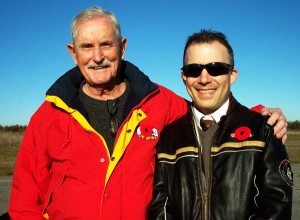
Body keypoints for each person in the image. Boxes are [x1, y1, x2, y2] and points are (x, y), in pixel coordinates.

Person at [8, 6, 287, 220]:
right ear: (73, 52)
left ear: (122, 46)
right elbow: (24, 202)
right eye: (87, 47)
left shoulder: (158, 100)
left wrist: (259, 116)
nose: (97, 56)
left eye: (106, 44)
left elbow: (206, 109)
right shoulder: (47, 115)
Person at [148, 30, 293, 220]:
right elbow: (161, 208)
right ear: (184, 77)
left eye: (215, 68)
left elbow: (276, 209)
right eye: (194, 70)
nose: (204, 78)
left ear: (232, 75)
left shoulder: (264, 130)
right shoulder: (169, 136)